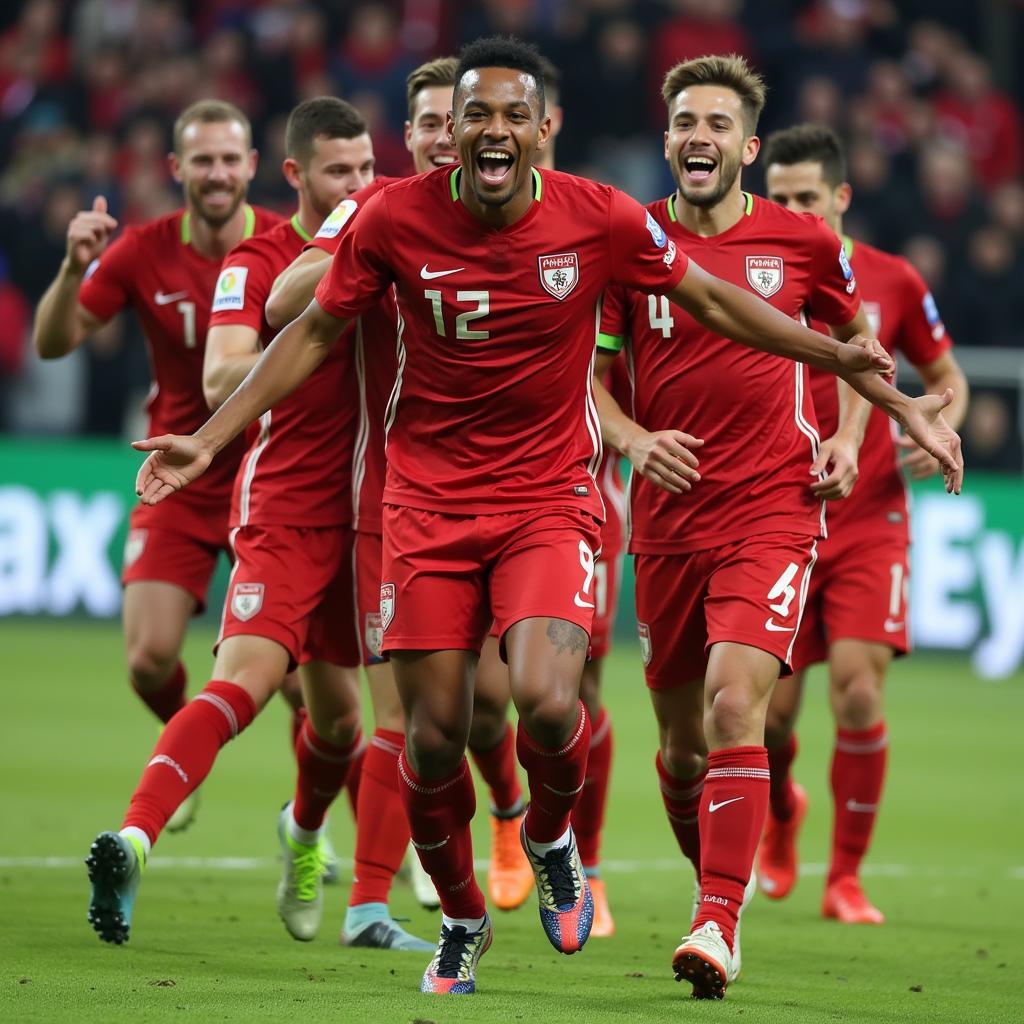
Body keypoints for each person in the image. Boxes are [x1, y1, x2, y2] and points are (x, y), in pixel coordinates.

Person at [129, 38, 960, 996]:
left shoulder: (598, 218)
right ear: (451, 130)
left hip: (552, 500)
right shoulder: (395, 218)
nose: (491, 130)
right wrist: (213, 436)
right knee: (435, 738)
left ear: (541, 130)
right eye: (472, 114)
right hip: (429, 503)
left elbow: (711, 297)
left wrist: (858, 376)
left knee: (554, 700)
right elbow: (312, 326)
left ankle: (559, 838)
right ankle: (461, 916)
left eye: (511, 115)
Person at [592, 54, 961, 999]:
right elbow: (584, 377)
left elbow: (857, 354)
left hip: (773, 505)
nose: (699, 137)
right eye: (684, 122)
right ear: (668, 138)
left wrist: (901, 417)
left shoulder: (802, 244)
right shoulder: (629, 247)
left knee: (732, 705)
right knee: (679, 749)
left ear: (746, 146)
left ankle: (718, 919)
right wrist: (631, 437)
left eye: (718, 123)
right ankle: (723, 873)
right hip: (669, 522)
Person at [80, 97, 414, 951]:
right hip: (289, 509)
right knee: (240, 683)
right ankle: (136, 837)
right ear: (297, 175)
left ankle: (304, 837)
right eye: (340, 172)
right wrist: (339, 243)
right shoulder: (259, 259)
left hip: (379, 514)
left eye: (369, 169)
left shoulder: (398, 237)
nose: (360, 185)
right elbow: (226, 370)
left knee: (345, 723)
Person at [266, 55, 535, 918]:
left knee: (492, 710)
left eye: (443, 120)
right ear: (419, 135)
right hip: (398, 500)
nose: (434, 136)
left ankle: (506, 812)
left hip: (515, 501)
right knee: (409, 715)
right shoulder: (380, 214)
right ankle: (374, 906)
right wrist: (363, 229)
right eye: (422, 122)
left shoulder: (526, 216)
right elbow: (285, 306)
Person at [33, 100, 280, 835]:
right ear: (176, 169)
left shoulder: (281, 244)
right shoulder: (142, 251)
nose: (217, 173)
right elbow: (56, 340)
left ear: (253, 167)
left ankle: (313, 822)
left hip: (266, 471)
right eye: (202, 160)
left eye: (230, 159)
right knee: (146, 659)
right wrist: (71, 269)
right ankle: (185, 747)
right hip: (176, 471)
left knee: (301, 685)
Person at [759, 123, 969, 923]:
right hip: (779, 505)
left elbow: (947, 375)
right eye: (778, 197)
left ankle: (844, 878)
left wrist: (935, 428)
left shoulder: (893, 281)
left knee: (856, 691)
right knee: (769, 718)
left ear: (839, 198)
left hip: (870, 512)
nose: (792, 210)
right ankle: (781, 814)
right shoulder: (746, 273)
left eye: (806, 197)